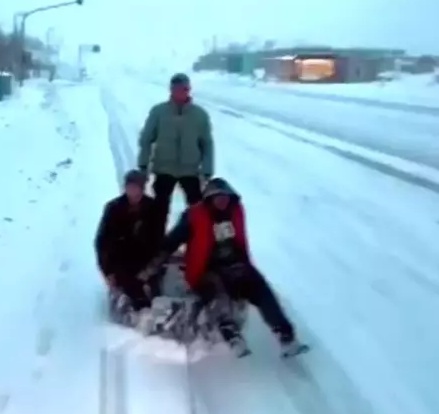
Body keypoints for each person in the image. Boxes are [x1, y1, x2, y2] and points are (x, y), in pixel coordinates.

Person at [138, 177, 308, 358]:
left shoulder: (235, 212)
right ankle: (232, 336)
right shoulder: (194, 216)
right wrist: (153, 264)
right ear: (209, 199)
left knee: (261, 289)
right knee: (217, 293)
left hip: (235, 265)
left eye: (225, 197)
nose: (222, 201)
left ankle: (285, 335)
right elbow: (172, 241)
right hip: (205, 268)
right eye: (217, 197)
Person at [137, 72, 214, 241]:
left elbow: (207, 143)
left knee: (197, 211)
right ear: (171, 90)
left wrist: (207, 170)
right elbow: (146, 139)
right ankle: (156, 247)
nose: (181, 92)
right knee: (159, 210)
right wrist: (144, 166)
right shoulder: (158, 112)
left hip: (190, 170)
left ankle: (197, 245)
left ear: (189, 90)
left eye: (185, 89)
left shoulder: (199, 115)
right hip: (164, 168)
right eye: (177, 89)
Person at [94, 170, 160, 315]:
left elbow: (158, 237)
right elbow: (102, 242)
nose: (132, 190)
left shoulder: (153, 207)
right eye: (129, 186)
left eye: (135, 187)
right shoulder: (113, 208)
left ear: (142, 188)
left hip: (145, 257)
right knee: (134, 291)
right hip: (121, 260)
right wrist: (108, 271)